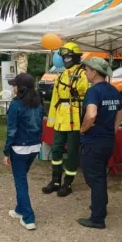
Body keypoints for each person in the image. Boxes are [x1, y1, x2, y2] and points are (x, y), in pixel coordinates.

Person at [77, 57, 122, 229]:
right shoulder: (113, 90)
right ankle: (100, 206)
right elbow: (119, 116)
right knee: (100, 175)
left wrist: (82, 130)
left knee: (94, 179)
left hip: (93, 142)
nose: (85, 73)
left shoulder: (93, 92)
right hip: (108, 141)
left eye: (87, 70)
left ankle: (97, 218)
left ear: (94, 72)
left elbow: (91, 114)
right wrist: (111, 132)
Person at [43, 42, 90, 197]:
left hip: (75, 118)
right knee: (56, 149)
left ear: (76, 57)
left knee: (71, 152)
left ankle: (68, 183)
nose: (66, 59)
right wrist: (52, 120)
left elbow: (85, 93)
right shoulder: (61, 74)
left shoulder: (83, 74)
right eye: (64, 56)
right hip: (61, 119)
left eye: (69, 56)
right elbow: (56, 98)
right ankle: (55, 180)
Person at [2, 73, 44, 231]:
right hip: (34, 147)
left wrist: (6, 152)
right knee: (21, 178)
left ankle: (28, 217)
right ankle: (20, 209)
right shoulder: (39, 104)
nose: (13, 87)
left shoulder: (15, 105)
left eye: (14, 85)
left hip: (19, 149)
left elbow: (11, 131)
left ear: (20, 88)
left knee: (20, 182)